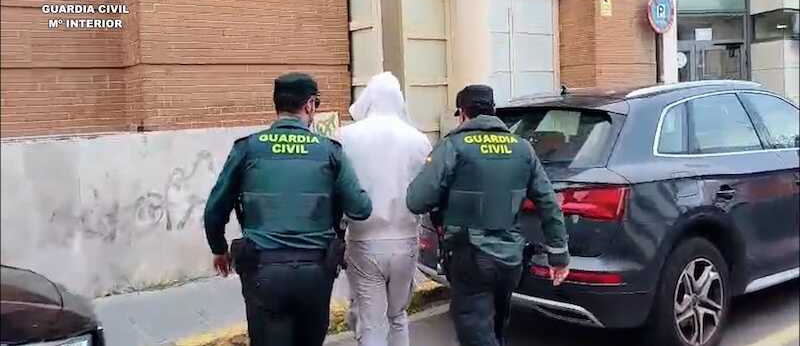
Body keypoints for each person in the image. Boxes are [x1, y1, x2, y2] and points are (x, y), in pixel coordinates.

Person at [203, 72, 373, 346]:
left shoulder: (248, 148)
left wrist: (219, 249)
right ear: (309, 105)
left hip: (263, 272)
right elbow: (361, 208)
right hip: (315, 273)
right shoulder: (330, 151)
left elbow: (215, 208)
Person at [406, 84, 570, 346]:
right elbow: (548, 203)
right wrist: (559, 255)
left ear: (462, 113)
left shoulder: (453, 146)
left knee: (476, 332)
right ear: (493, 110)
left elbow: (416, 200)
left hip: (470, 256)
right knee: (495, 329)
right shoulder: (522, 148)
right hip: (511, 259)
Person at [338, 72, 432, 346]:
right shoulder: (419, 140)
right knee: (398, 316)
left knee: (372, 323)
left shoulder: (345, 137)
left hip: (363, 240)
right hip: (405, 239)